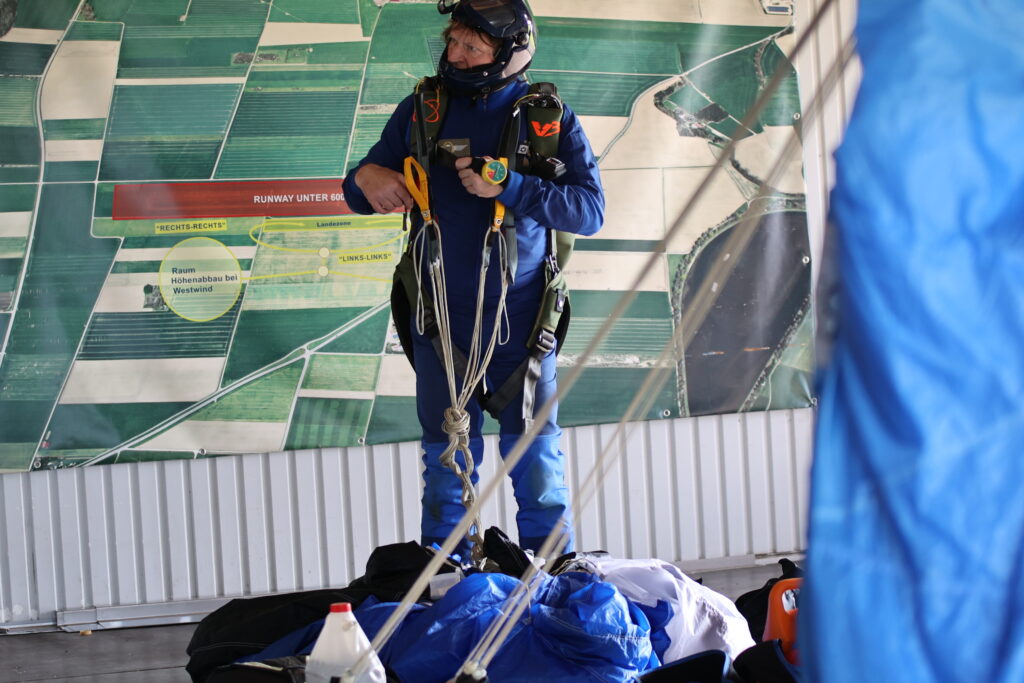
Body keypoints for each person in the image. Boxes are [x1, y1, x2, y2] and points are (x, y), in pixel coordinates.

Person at [342, 0, 604, 559]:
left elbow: (589, 212)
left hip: (522, 326)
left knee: (536, 460)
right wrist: (367, 177)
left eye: (472, 47)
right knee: (447, 462)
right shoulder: (423, 110)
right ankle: (447, 574)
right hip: (442, 322)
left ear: (508, 55)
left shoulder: (548, 121)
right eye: (453, 42)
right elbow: (357, 191)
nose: (455, 55)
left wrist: (511, 187)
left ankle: (551, 573)